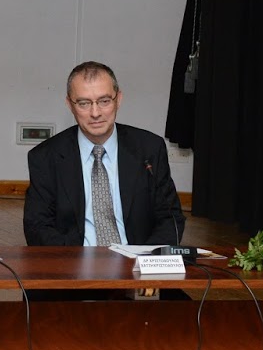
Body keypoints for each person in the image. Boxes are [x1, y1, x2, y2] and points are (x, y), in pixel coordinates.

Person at [23, 61, 185, 247]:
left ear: (118, 99)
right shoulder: (45, 157)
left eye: (104, 101)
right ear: (70, 104)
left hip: (137, 258)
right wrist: (73, 260)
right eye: (84, 103)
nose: (95, 113)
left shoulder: (149, 149)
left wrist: (145, 257)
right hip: (74, 259)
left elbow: (170, 218)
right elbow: (37, 226)